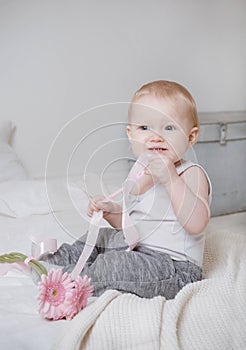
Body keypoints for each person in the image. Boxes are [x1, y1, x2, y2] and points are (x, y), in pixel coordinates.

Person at [40, 80, 211, 299]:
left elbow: (196, 223)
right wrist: (112, 212)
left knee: (112, 264)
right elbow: (134, 227)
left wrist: (170, 181)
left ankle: (65, 283)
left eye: (169, 128)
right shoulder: (142, 174)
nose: (155, 136)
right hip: (138, 251)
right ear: (131, 134)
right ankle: (54, 261)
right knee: (103, 237)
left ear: (191, 136)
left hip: (173, 268)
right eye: (144, 128)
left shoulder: (190, 173)